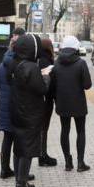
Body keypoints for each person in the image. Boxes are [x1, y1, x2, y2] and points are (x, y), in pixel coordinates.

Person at [8, 34, 50, 187]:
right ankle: (22, 185)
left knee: (18, 147)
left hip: (17, 110)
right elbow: (42, 89)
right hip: (30, 113)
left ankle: (19, 178)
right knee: (27, 149)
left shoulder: (15, 63)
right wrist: (46, 76)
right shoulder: (31, 67)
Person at [51, 36, 92, 172]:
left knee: (65, 131)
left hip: (62, 103)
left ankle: (68, 163)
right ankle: (80, 163)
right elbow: (87, 85)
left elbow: (52, 85)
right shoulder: (81, 63)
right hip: (79, 103)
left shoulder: (56, 63)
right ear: (76, 48)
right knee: (81, 131)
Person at [0, 27, 26, 179]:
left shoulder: (1, 65)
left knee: (7, 139)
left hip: (4, 107)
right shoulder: (20, 66)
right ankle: (20, 173)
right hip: (17, 108)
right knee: (19, 141)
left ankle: (4, 170)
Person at [38, 38, 57, 167]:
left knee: (42, 128)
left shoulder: (38, 58)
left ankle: (42, 154)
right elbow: (48, 82)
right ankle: (42, 155)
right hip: (46, 100)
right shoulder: (46, 62)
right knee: (43, 128)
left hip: (41, 100)